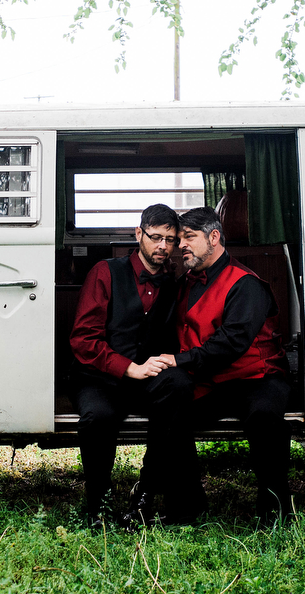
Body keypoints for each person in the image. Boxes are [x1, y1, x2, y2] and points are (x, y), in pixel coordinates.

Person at [159, 206, 291, 522]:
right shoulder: (185, 282)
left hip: (257, 376)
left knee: (265, 416)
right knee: (170, 413)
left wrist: (179, 360)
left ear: (214, 237)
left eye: (188, 238)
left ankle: (276, 513)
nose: (181, 246)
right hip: (210, 380)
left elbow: (232, 343)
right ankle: (187, 508)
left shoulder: (246, 283)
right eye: (180, 240)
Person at [68, 204, 192, 528]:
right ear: (139, 234)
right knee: (99, 417)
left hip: (143, 379)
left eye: (170, 239)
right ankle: (98, 505)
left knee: (178, 385)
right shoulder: (105, 272)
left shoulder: (173, 284)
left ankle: (146, 493)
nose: (163, 246)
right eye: (155, 237)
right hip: (97, 377)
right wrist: (128, 367)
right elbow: (83, 340)